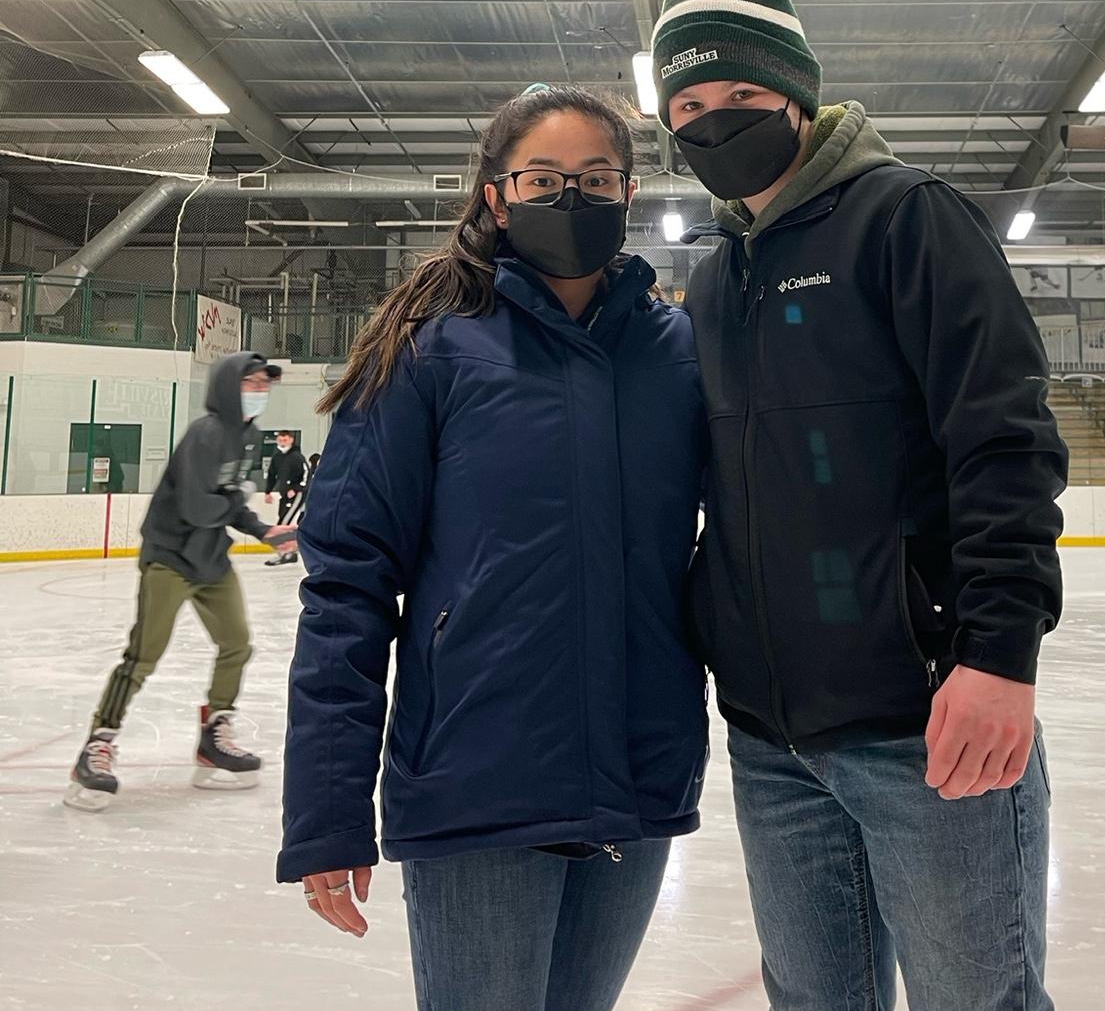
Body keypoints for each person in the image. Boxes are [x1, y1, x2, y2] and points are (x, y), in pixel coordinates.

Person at [650, 0, 1067, 1011]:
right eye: (687, 105)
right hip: (769, 740)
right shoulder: (715, 279)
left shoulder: (906, 220)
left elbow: (1006, 441)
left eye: (740, 95)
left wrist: (1000, 655)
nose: (712, 120)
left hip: (924, 721)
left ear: (797, 94)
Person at [277, 85, 708, 1011]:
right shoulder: (429, 352)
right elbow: (348, 585)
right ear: (497, 197)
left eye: (596, 179)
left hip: (640, 777)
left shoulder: (675, 352)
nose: (571, 198)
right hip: (478, 781)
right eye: (542, 179)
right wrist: (327, 810)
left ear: (629, 194)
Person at [65, 352, 299, 812]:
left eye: (264, 384)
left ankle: (214, 735)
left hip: (210, 559)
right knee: (144, 655)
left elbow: (228, 502)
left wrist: (262, 530)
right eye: (251, 382)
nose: (260, 390)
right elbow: (198, 506)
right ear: (228, 386)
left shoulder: (249, 437)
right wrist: (236, 501)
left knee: (236, 643)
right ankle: (97, 745)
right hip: (170, 558)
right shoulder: (205, 434)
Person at [263, 429, 307, 567]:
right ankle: (290, 553)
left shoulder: (297, 457)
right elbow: (272, 475)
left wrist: (296, 488)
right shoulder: (277, 457)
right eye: (280, 440)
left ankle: (284, 553)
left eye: (285, 440)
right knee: (283, 521)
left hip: (297, 494)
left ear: (291, 440)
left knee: (284, 523)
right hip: (284, 495)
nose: (282, 442)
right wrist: (268, 492)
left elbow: (306, 475)